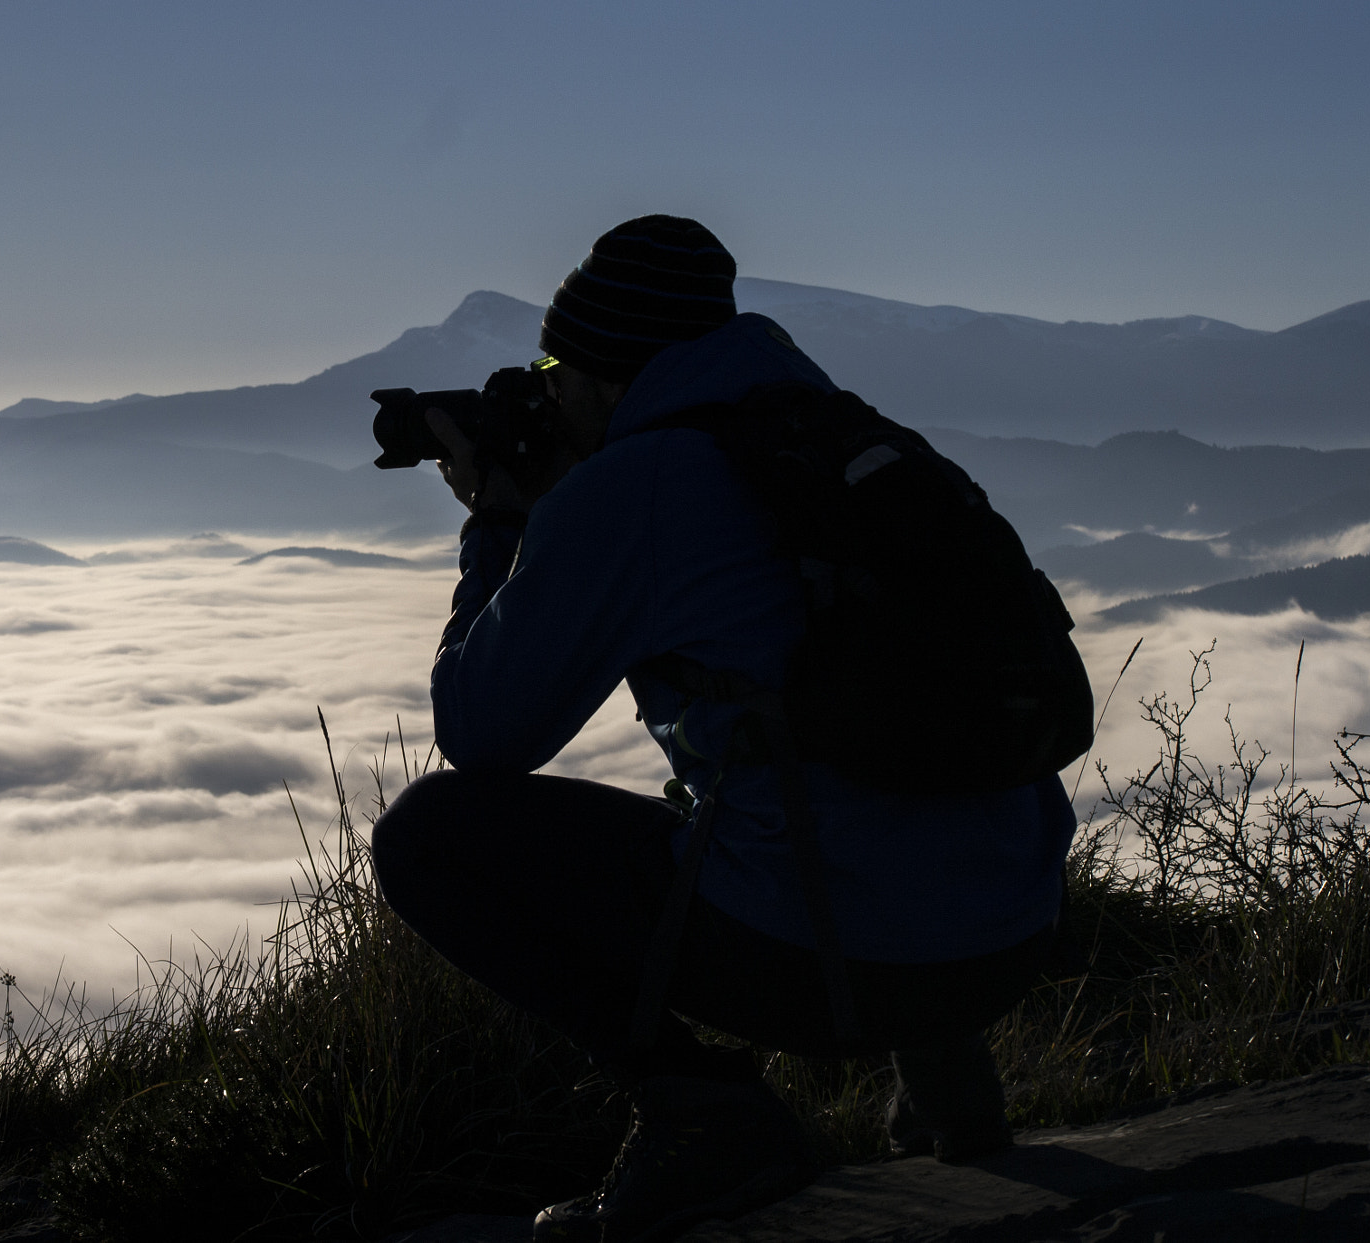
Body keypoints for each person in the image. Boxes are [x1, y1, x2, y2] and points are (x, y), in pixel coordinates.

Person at [369, 215, 1077, 1242]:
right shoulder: (839, 437)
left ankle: (704, 1115)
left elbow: (478, 731)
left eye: (556, 363)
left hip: (842, 973)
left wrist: (498, 524)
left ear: (611, 376)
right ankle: (946, 1083)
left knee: (430, 837)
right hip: (1010, 933)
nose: (548, 387)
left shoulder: (637, 489)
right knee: (827, 749)